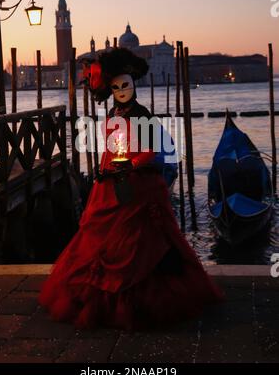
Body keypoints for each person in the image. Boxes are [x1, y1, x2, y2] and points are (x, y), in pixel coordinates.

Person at [39, 48, 223, 331]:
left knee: (143, 241)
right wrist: (104, 168)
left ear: (134, 84)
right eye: (116, 87)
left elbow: (151, 150)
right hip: (112, 183)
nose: (122, 90)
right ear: (110, 89)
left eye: (126, 85)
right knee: (100, 235)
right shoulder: (113, 112)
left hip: (139, 185)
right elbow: (112, 147)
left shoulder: (143, 114)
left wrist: (132, 165)